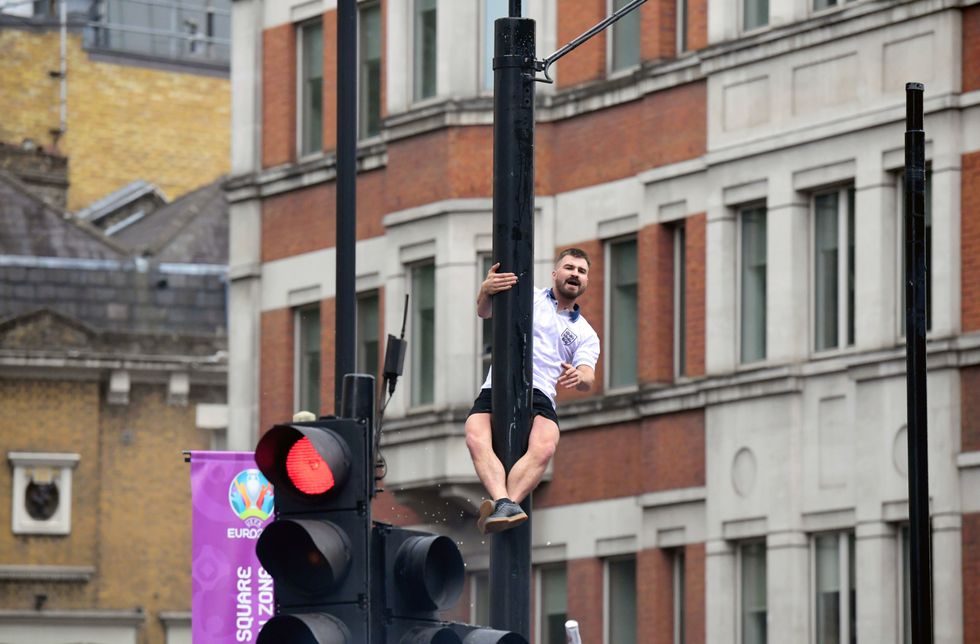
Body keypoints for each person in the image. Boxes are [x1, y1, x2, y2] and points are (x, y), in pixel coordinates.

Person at [465, 248, 600, 534]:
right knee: (475, 435)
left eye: (582, 271)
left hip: (540, 393)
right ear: (555, 273)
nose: (575, 274)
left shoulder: (586, 333)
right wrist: (486, 290)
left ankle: (503, 503)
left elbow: (588, 375)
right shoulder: (529, 297)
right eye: (569, 267)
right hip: (498, 383)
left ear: (587, 281)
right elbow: (484, 311)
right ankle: (505, 503)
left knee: (546, 444)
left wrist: (580, 376)